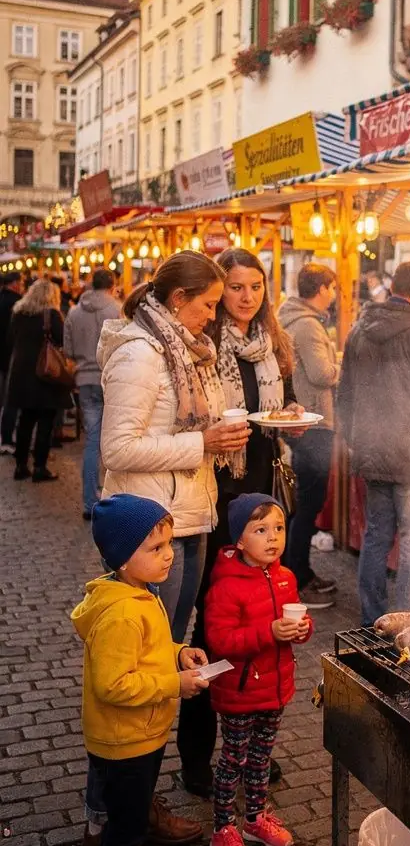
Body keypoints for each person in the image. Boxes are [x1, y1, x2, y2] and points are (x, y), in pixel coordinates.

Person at [176, 247, 301, 798]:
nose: (247, 296)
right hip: (217, 501)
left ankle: (246, 752)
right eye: (236, 287)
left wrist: (291, 419)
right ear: (219, 292)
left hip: (262, 497)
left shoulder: (273, 344)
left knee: (264, 623)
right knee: (215, 629)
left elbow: (286, 408)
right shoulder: (203, 348)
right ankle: (198, 758)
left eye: (256, 286)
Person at [71, 494, 209, 846]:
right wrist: (176, 683)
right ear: (121, 557)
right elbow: (114, 685)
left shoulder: (139, 595)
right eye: (155, 547)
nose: (169, 554)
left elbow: (146, 650)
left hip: (141, 737)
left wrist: (176, 653)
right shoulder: (122, 612)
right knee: (123, 836)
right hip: (123, 742)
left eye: (169, 543)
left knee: (127, 829)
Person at [98, 251, 248, 641]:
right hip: (149, 524)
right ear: (179, 298)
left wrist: (217, 435)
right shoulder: (139, 354)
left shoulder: (189, 351)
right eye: (209, 304)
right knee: (154, 643)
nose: (214, 315)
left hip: (190, 511)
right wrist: (201, 442)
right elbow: (117, 449)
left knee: (174, 640)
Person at [337, 259, 410, 625]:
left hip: (374, 452)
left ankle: (372, 620)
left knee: (376, 537)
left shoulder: (360, 329)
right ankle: (408, 624)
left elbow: (345, 395)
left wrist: (355, 440)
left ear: (392, 288)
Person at [205, 493, 312, 846]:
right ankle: (222, 828)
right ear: (239, 540)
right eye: (261, 529)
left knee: (262, 758)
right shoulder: (225, 586)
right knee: (233, 760)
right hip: (240, 692)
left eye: (279, 528)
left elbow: (297, 626)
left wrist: (302, 629)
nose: (273, 538)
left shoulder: (285, 578)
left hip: (276, 689)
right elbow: (220, 640)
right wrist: (269, 632)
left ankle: (253, 820)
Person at [279, 264, 341, 609]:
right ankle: (297, 577)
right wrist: (342, 367)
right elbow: (320, 373)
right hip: (314, 421)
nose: (334, 293)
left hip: (302, 418)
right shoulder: (308, 324)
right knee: (308, 504)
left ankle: (296, 570)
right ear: (321, 288)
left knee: (303, 502)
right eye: (332, 287)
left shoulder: (292, 317)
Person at [64, 268, 120, 519]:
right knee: (117, 441)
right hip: (112, 379)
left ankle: (89, 501)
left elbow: (68, 350)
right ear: (112, 285)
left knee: (92, 443)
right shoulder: (117, 310)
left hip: (84, 380)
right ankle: (113, 499)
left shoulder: (74, 312)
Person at [6, 277, 73, 482]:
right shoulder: (51, 315)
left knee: (25, 421)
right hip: (44, 373)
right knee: (45, 422)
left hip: (21, 373)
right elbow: (62, 340)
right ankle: (39, 467)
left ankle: (20, 465)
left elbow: (10, 339)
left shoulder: (18, 313)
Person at [0, 270, 22, 453]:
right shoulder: (16, 303)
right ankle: (7, 438)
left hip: (3, 356)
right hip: (11, 356)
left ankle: (7, 436)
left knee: (7, 398)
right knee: (11, 399)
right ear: (15, 283)